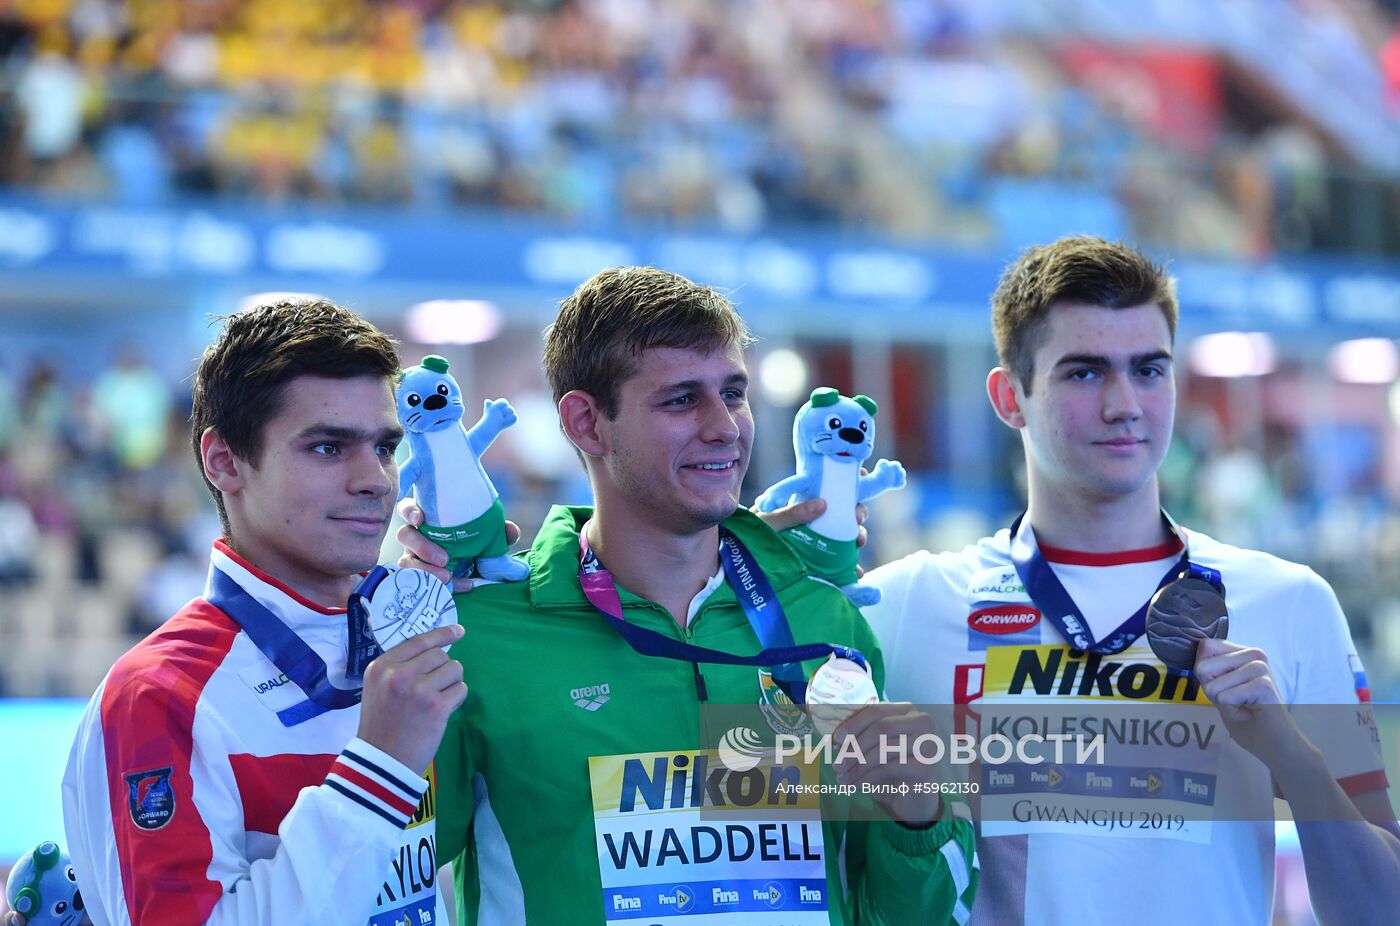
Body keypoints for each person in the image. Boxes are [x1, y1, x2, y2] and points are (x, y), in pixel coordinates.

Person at [399, 266, 978, 925]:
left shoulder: (823, 619)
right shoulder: (481, 637)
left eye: (733, 393)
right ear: (586, 423)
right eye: (681, 400)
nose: (725, 427)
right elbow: (385, 881)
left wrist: (920, 813)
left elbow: (917, 914)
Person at [861, 236, 1399, 926]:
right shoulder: (906, 605)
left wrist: (1291, 758)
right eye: (1084, 374)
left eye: (1149, 370)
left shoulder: (1289, 603)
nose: (1126, 405)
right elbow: (765, 811)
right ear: (1008, 397)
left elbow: (1380, 911)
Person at [58, 300, 467, 926]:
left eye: (385, 447)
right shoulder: (158, 695)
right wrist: (377, 775)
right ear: (223, 461)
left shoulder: (413, 638)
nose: (377, 480)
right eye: (329, 448)